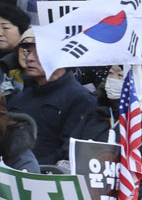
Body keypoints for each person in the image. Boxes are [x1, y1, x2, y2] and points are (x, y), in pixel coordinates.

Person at [11, 27, 100, 168]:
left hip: (47, 177)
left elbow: (69, 151)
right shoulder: (20, 96)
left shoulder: (81, 99)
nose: (29, 59)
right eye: (28, 52)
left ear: (61, 58)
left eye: (39, 54)